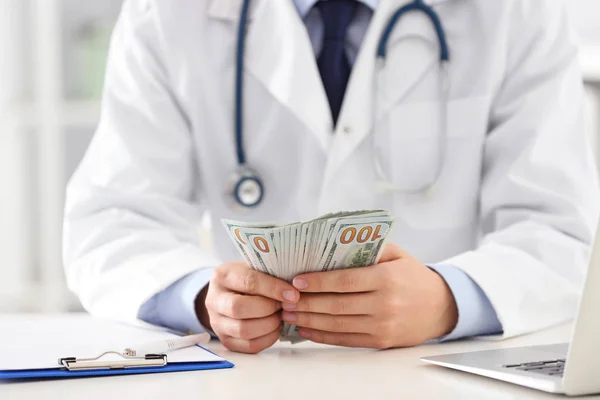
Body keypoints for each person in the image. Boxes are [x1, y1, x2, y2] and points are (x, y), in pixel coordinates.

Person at [63, 0, 600, 354]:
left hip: (443, 370)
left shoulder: (519, 11)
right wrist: (206, 299)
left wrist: (448, 300)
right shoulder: (170, 14)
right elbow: (111, 224)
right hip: (256, 377)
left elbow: (562, 233)